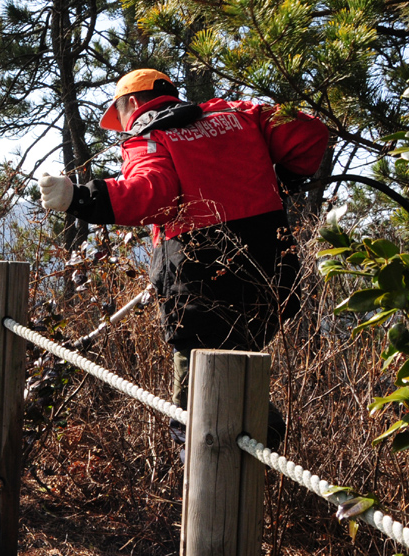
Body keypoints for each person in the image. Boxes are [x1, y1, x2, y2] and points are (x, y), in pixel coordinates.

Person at [38, 68, 330, 450]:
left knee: (195, 416)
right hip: (273, 273)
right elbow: (310, 132)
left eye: (120, 116)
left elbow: (154, 192)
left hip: (202, 285)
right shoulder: (237, 113)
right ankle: (258, 466)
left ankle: (244, 469)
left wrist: (79, 198)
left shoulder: (151, 134)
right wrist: (284, 180)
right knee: (232, 378)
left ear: (131, 103)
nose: (123, 126)